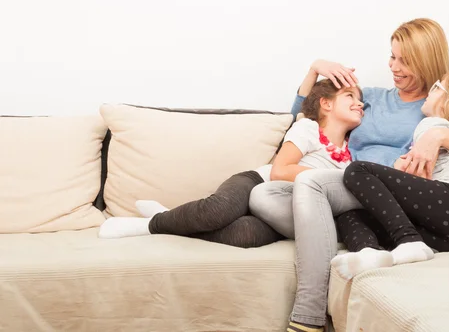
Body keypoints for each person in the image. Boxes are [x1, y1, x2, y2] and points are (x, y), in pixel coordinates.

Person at [283, 18, 449, 332]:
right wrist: (314, 71)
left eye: (404, 60)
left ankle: (308, 316)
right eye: (392, 56)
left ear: (425, 61)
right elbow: (305, 115)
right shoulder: (371, 98)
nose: (393, 66)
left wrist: (437, 139)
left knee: (311, 182)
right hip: (358, 191)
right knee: (267, 195)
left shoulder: (438, 109)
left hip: (389, 193)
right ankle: (371, 257)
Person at [97, 79, 364, 248]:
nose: (359, 103)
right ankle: (150, 225)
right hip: (259, 182)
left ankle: (168, 218)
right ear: (326, 104)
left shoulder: (352, 155)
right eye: (350, 96)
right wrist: (324, 181)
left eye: (360, 99)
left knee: (246, 236)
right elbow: (281, 170)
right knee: (217, 212)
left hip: (282, 212)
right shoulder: (307, 128)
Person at [331, 70, 449, 280]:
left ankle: (408, 240)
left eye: (436, 87)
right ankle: (368, 253)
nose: (430, 91)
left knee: (357, 170)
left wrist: (398, 166)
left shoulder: (432, 125)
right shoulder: (446, 131)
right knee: (349, 215)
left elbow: (419, 172)